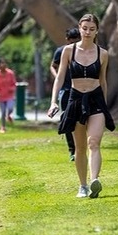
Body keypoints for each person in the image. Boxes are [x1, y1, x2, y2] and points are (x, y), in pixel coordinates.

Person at [47, 13, 115, 199]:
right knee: (80, 147)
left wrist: (105, 104)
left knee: (94, 142)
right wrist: (53, 101)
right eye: (84, 28)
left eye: (91, 29)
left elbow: (103, 81)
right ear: (79, 28)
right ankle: (82, 185)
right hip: (75, 98)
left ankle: (94, 181)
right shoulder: (69, 51)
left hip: (96, 100)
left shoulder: (103, 54)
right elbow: (60, 77)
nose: (87, 32)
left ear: (97, 31)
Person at [50, 27, 81, 161]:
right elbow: (53, 65)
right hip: (66, 89)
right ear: (67, 40)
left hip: (80, 89)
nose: (73, 44)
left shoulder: (84, 51)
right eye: (71, 42)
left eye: (76, 41)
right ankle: (72, 150)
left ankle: (81, 148)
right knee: (67, 118)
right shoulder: (61, 51)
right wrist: (58, 76)